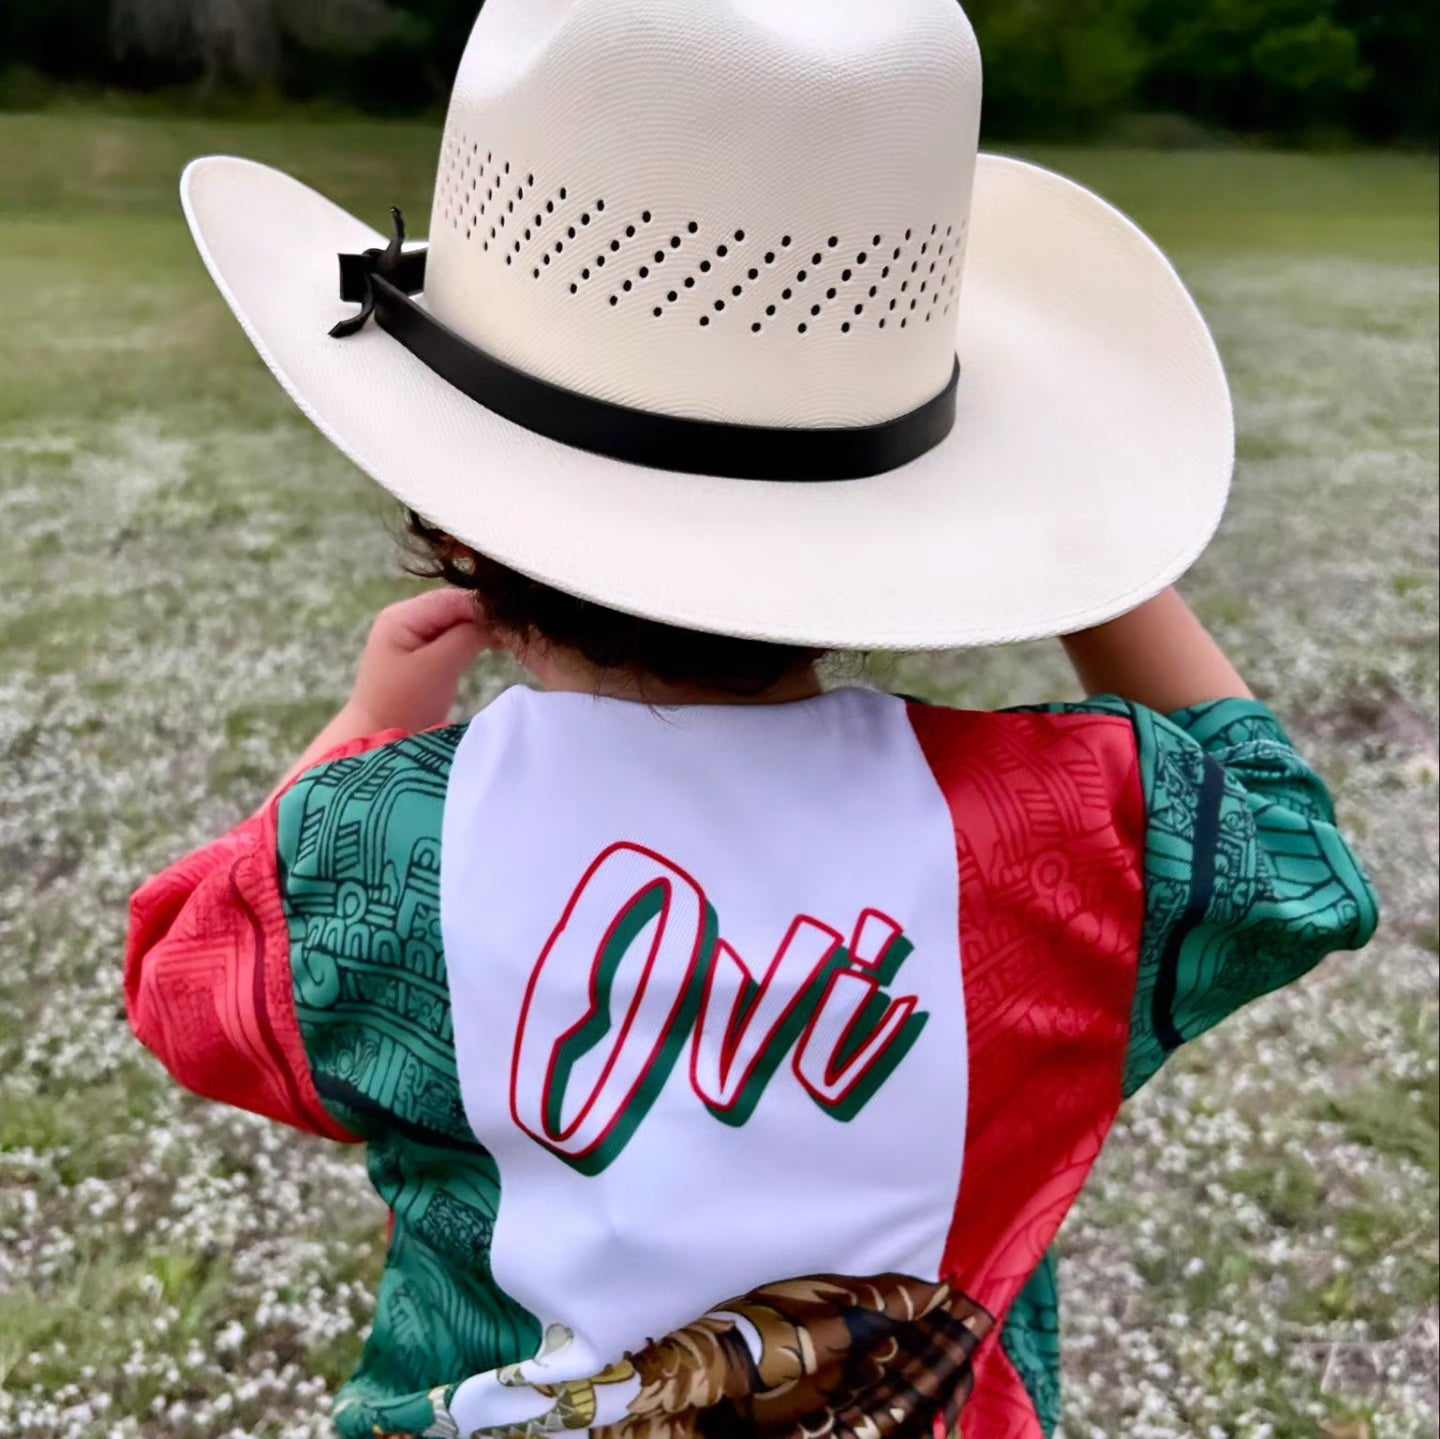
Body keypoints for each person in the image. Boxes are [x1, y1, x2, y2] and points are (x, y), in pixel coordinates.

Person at [127, 2, 1379, 1436]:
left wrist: (361, 725)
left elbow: (184, 976)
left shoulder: (368, 844)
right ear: (896, 525)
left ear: (456, 523)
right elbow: (1295, 856)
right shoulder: (1072, 832)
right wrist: (1091, 550)